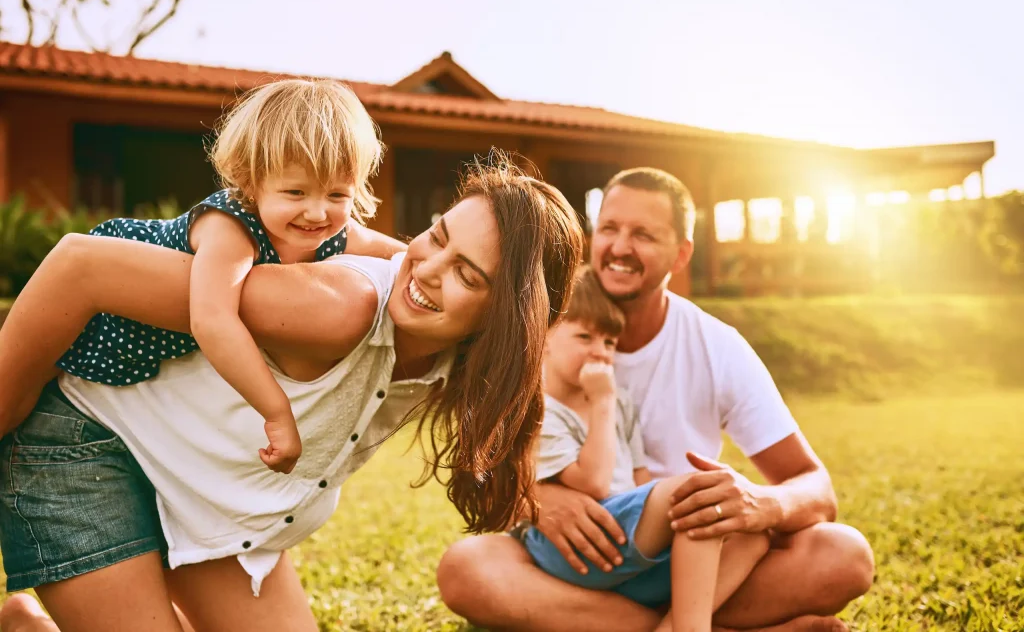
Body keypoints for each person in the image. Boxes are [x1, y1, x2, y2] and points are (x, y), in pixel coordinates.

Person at [0, 154, 584, 632]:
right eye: (436, 235)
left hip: (213, 504)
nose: (427, 268)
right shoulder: (337, 306)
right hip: (86, 443)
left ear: (507, 322)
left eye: (467, 274)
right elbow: (83, 266)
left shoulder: (465, 359)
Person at [437, 167, 875, 632]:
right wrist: (537, 498)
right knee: (465, 569)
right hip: (573, 563)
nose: (620, 247)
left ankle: (658, 622)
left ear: (682, 253)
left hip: (696, 563)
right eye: (609, 228)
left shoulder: (716, 346)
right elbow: (478, 471)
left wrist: (759, 504)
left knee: (843, 555)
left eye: (643, 234)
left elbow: (814, 486)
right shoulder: (543, 326)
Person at [55, 78, 383, 474]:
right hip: (101, 320)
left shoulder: (335, 232)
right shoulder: (230, 225)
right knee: (25, 395)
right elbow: (212, 320)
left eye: (336, 195)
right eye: (295, 193)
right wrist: (277, 413)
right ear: (251, 180)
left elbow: (410, 256)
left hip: (149, 374)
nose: (316, 212)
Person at [521, 266, 769, 632]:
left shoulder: (619, 403)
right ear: (544, 339)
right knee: (694, 493)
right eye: (585, 336)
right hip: (570, 546)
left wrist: (608, 402)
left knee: (748, 533)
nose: (599, 353)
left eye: (608, 343)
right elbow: (592, 485)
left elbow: (639, 479)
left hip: (624, 539)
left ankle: (673, 626)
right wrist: (601, 403)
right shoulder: (540, 410)